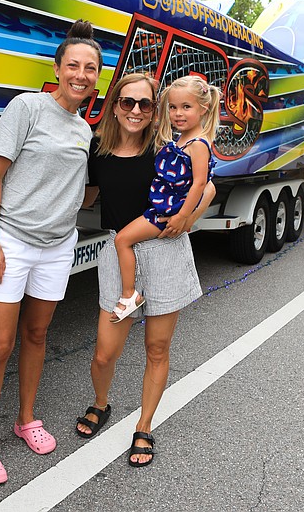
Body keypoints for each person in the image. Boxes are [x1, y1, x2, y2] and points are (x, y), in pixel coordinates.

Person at [0, 20, 102, 486]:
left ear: (97, 77)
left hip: (57, 246)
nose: (80, 75)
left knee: (38, 334)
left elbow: (81, 192)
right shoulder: (27, 107)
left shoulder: (87, 131)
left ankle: (25, 419)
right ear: (58, 67)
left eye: (90, 68)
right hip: (13, 241)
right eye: (73, 66)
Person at [76, 73, 216, 467]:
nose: (135, 110)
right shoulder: (98, 149)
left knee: (157, 348)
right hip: (120, 253)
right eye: (127, 102)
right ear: (115, 106)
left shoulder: (165, 147)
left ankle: (144, 425)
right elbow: (83, 195)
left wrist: (187, 218)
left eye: (145, 103)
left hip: (164, 251)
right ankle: (101, 403)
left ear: (155, 110)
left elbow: (206, 186)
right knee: (105, 354)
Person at [110, 76, 219, 323]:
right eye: (173, 107)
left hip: (167, 214)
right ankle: (130, 294)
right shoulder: (180, 140)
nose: (178, 113)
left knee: (122, 240)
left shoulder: (198, 144)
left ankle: (129, 295)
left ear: (203, 108)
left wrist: (183, 217)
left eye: (186, 107)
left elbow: (201, 184)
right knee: (123, 240)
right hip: (159, 210)